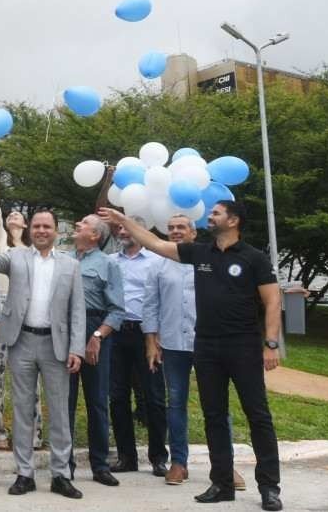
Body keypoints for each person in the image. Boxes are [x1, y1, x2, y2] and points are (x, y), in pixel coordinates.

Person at [100, 201, 283, 511]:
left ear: (233, 220)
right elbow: (155, 243)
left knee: (258, 416)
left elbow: (272, 300)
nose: (210, 215)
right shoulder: (199, 253)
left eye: (216, 213)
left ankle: (269, 486)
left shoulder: (253, 258)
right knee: (213, 416)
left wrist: (270, 345)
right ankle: (222, 482)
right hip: (207, 346)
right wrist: (122, 219)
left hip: (243, 347)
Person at [0, 209, 85, 500]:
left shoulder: (70, 265)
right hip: (22, 342)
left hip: (56, 346)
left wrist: (76, 349)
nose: (41, 230)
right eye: (37, 226)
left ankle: (60, 475)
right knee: (22, 410)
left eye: (47, 226)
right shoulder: (16, 257)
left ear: (56, 231)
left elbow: (77, 311)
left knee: (59, 412)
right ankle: (24, 474)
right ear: (30, 230)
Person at [142, 213, 247, 490]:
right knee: (175, 403)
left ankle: (225, 466)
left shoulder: (209, 260)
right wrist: (151, 342)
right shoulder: (158, 264)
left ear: (193, 233)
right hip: (173, 344)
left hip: (209, 343)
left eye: (181, 227)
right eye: (171, 227)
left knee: (217, 405)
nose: (175, 231)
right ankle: (179, 462)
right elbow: (150, 305)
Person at [0, 153, 38, 451]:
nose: (12, 216)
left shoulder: (33, 248)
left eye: (18, 215)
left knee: (29, 373)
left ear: (26, 223)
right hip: (2, 311)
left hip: (29, 314)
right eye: (9, 214)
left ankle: (33, 431)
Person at [66, 214, 125, 487]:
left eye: (83, 223)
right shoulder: (64, 260)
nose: (77, 224)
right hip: (65, 330)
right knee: (63, 401)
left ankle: (100, 465)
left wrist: (98, 335)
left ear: (95, 236)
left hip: (94, 328)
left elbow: (117, 310)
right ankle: (64, 464)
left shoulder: (108, 264)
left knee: (97, 402)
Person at [109, 217, 169, 476]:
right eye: (119, 228)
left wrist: (158, 338)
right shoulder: (111, 262)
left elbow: (164, 299)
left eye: (127, 228)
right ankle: (126, 457)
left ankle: (158, 457)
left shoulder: (157, 260)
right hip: (117, 334)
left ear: (141, 231)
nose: (122, 232)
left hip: (147, 335)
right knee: (118, 397)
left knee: (154, 397)